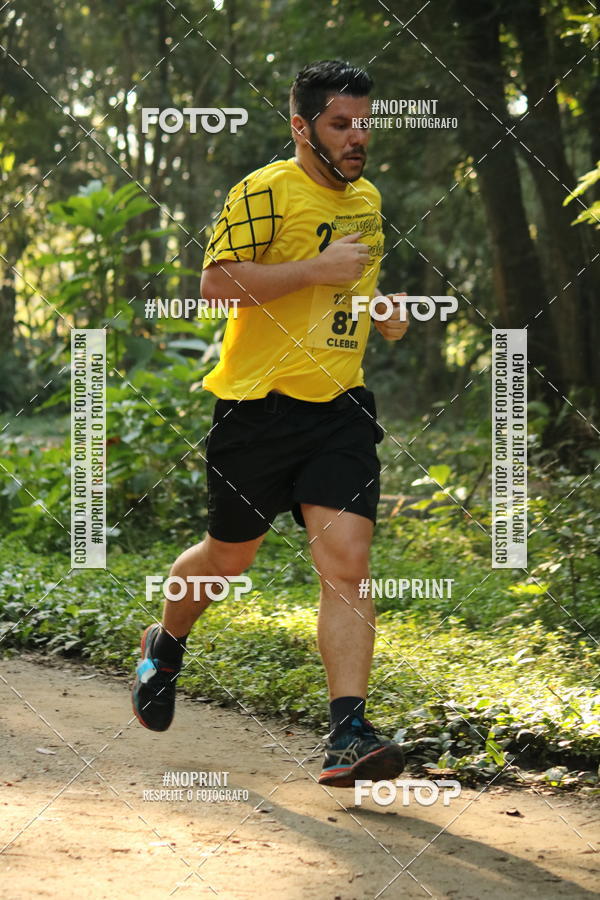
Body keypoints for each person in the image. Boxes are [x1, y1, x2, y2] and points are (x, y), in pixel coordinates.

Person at [132, 59, 409, 788]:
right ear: (301, 127)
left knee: (347, 563)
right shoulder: (262, 190)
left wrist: (378, 309)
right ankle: (165, 643)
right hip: (257, 410)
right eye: (341, 125)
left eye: (365, 126)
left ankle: (347, 732)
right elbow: (215, 284)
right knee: (229, 560)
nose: (358, 139)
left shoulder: (369, 200)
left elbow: (354, 283)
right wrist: (315, 270)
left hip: (340, 410)